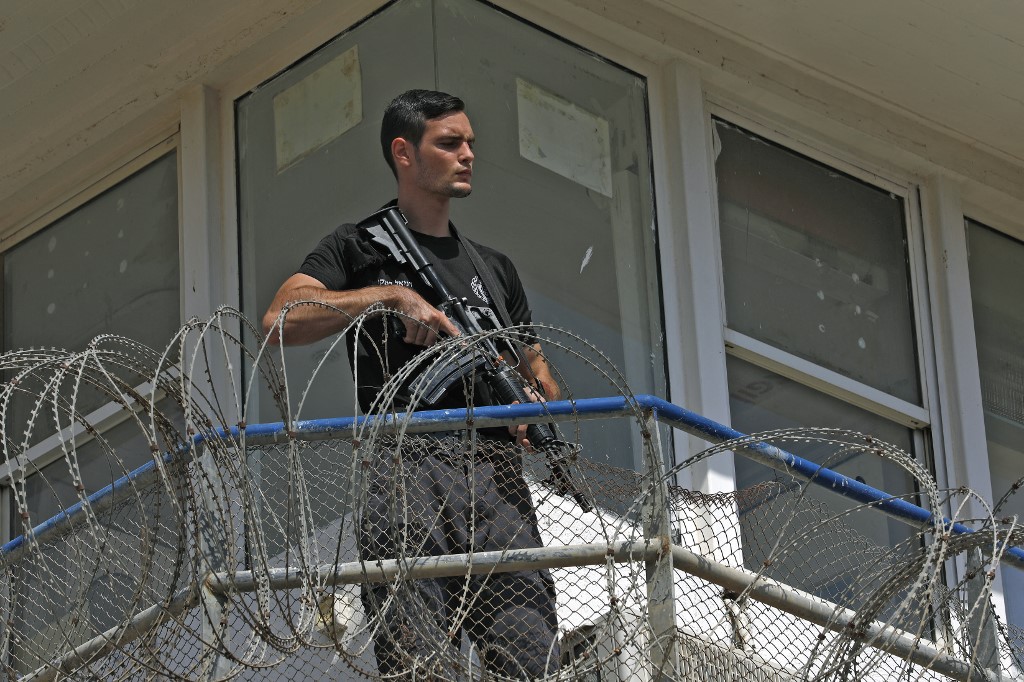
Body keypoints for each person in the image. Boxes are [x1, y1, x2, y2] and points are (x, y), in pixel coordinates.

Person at [263, 90, 561, 679]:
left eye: (470, 142)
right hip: (406, 467)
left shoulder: (493, 269)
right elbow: (279, 321)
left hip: (497, 477)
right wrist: (388, 298)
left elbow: (544, 379)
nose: (468, 154)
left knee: (532, 655)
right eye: (449, 143)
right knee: (417, 657)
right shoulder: (359, 246)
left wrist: (532, 400)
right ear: (404, 152)